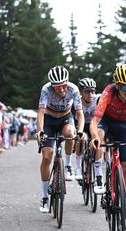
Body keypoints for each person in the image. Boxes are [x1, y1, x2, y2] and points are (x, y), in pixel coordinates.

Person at [89, 64, 126, 229]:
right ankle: (99, 177)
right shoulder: (108, 92)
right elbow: (95, 121)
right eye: (124, 87)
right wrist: (95, 137)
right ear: (117, 85)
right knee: (100, 137)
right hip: (106, 122)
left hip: (123, 126)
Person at [36, 66, 84, 213]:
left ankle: (68, 165)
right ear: (52, 85)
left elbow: (80, 113)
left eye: (63, 85)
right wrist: (40, 130)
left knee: (70, 132)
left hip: (65, 117)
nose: (62, 89)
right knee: (46, 156)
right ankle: (44, 197)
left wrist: (80, 130)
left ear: (67, 83)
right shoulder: (46, 89)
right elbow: (41, 112)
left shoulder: (73, 89)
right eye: (57, 87)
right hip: (49, 120)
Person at [74, 77, 98, 181]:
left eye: (92, 91)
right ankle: (78, 167)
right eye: (87, 92)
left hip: (93, 125)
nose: (90, 95)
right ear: (81, 92)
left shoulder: (98, 99)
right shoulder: (76, 100)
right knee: (81, 138)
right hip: (80, 125)